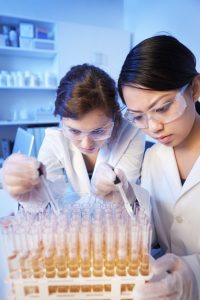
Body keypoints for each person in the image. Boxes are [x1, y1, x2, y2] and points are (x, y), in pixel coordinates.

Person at [92, 34, 200, 299]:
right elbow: (153, 240)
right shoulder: (154, 158)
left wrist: (194, 274)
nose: (152, 128)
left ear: (196, 88)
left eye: (163, 108)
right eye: (138, 117)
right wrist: (125, 199)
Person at [2, 63, 145, 213]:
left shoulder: (131, 133)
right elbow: (46, 195)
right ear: (62, 121)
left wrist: (120, 190)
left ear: (115, 117)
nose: (86, 143)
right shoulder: (56, 139)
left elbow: (129, 199)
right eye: (75, 131)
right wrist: (29, 193)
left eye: (98, 131)